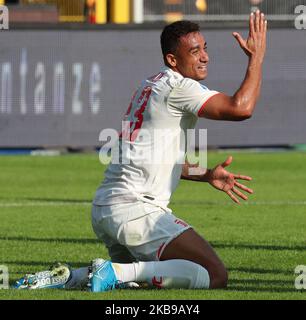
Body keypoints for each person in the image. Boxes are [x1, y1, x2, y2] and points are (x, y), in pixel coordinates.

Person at [15, 10, 267, 291]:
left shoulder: (152, 84)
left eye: (204, 48)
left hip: (106, 208)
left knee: (137, 281)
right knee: (215, 275)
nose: (204, 57)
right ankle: (113, 271)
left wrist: (206, 174)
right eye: (195, 51)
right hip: (136, 210)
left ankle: (69, 276)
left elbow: (149, 157)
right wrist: (256, 57)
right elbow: (240, 108)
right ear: (173, 59)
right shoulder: (179, 88)